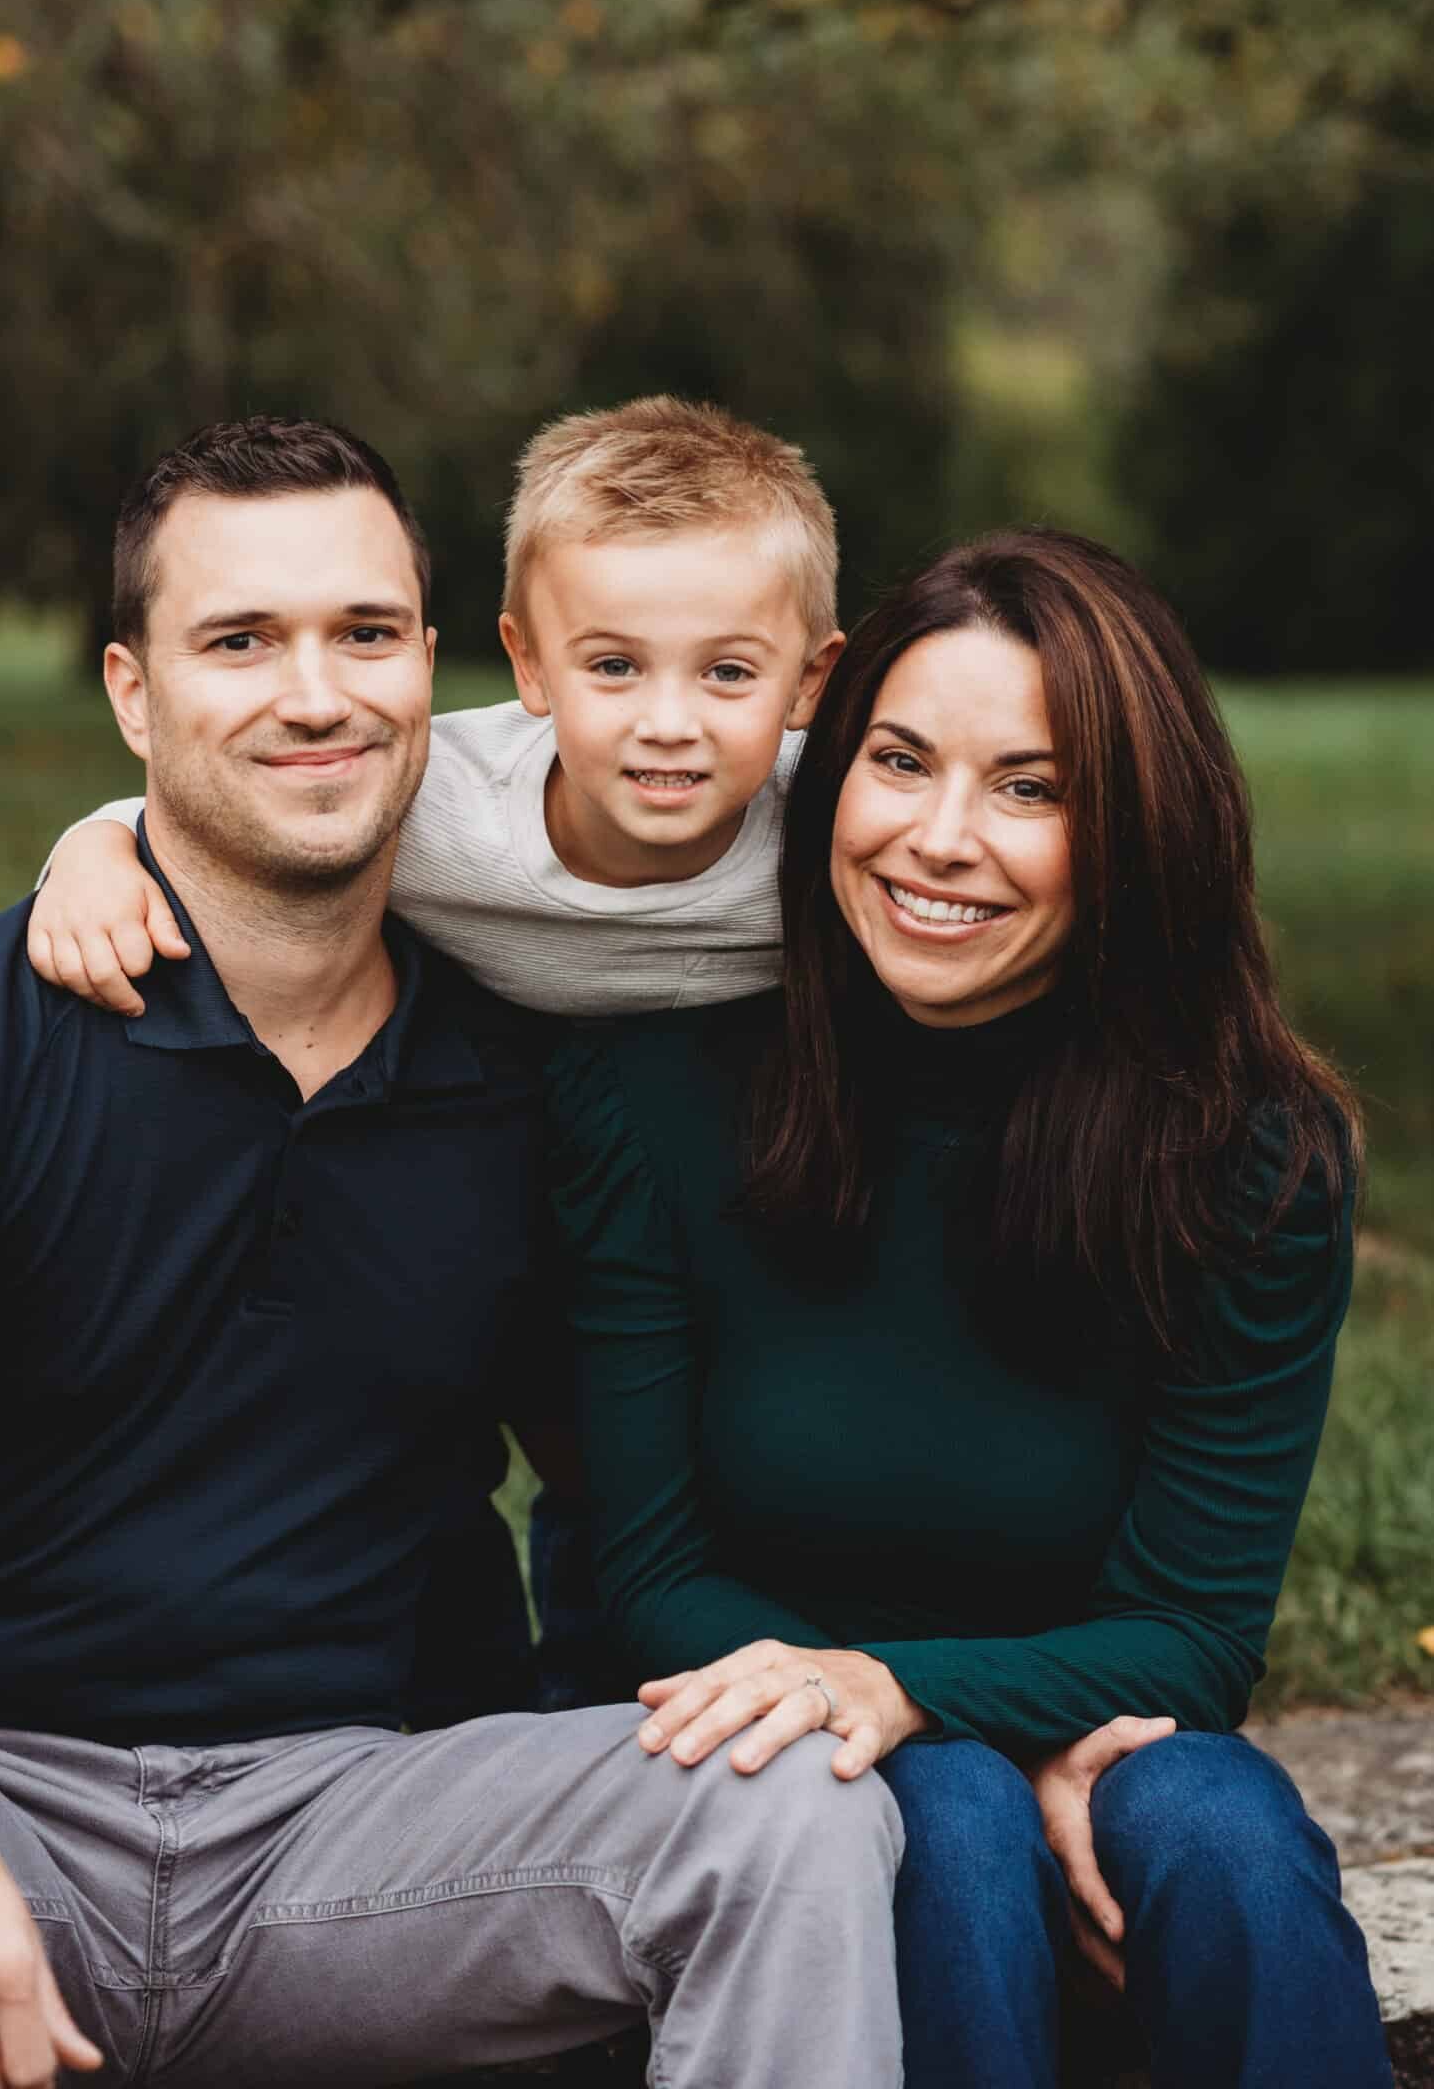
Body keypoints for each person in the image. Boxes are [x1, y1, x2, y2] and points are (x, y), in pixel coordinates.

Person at [0, 417, 907, 2089]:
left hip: (361, 1836)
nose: (315, 693)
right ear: (133, 694)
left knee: (786, 1805)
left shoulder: (521, 1073)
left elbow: (622, 1475)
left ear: (434, 668)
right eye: (239, 640)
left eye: (361, 633)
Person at [542, 528, 1394, 2088]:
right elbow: (642, 1575)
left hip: (1081, 1749)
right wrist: (106, 842)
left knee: (1211, 1818)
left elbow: (1190, 1637)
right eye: (897, 761)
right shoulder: (652, 1095)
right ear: (824, 775)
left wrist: (913, 1691)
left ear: (1138, 831)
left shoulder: (1245, 1156)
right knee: (945, 1814)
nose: (939, 838)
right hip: (727, 1749)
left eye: (1030, 788)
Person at [24, 394, 845, 1020]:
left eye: (729, 673)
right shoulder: (427, 802)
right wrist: (89, 857)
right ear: (528, 666)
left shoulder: (842, 823)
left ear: (809, 681)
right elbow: (210, 811)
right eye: (614, 665)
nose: (669, 724)